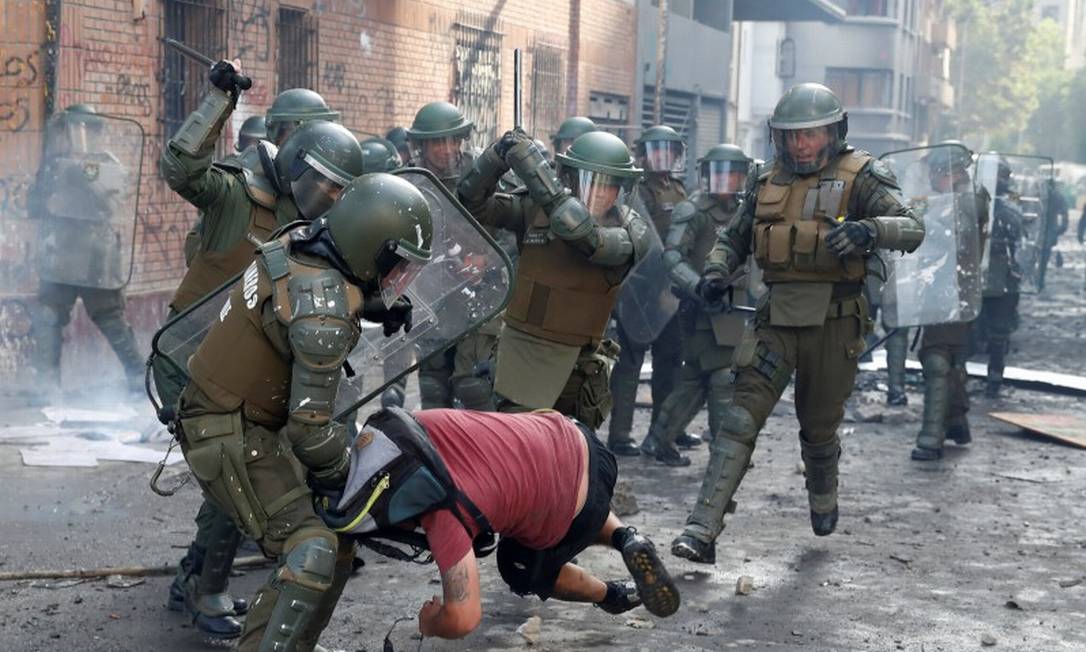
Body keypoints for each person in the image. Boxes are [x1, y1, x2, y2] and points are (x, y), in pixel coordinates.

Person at [671, 83, 925, 563]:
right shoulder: (766, 178)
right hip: (777, 320)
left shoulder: (864, 175)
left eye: (810, 135)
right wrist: (714, 271)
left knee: (818, 427)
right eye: (791, 136)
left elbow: (913, 227)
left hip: (836, 321)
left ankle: (823, 496)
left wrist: (870, 229)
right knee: (738, 419)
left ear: (833, 132)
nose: (800, 145)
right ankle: (701, 529)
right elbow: (735, 236)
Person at [175, 172, 427, 651]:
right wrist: (349, 478)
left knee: (336, 537)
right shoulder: (322, 316)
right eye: (395, 265)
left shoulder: (300, 240)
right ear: (370, 247)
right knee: (312, 548)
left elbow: (314, 292)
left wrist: (376, 302)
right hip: (228, 430)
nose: (399, 278)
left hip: (236, 415)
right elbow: (310, 433)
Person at [158, 60, 361, 638]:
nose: (327, 187)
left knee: (253, 471)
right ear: (290, 143)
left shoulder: (312, 214)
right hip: (189, 356)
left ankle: (193, 578)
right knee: (235, 471)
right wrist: (219, 99)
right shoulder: (233, 194)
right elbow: (180, 166)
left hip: (251, 357)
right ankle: (206, 590)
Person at [323, 408, 679, 639]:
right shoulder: (408, 426)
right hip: (578, 441)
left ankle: (613, 595)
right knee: (556, 492)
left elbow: (463, 618)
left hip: (570, 507)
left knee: (518, 565)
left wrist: (431, 623)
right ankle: (625, 537)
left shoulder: (440, 511)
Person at [458, 130, 652, 428]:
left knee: (572, 454)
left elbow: (587, 238)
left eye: (609, 184)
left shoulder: (631, 230)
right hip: (525, 352)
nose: (599, 193)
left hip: (580, 364)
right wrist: (498, 156)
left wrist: (534, 167)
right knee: (517, 446)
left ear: (621, 188)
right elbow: (472, 202)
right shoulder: (534, 208)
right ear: (572, 179)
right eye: (590, 181)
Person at [638, 143, 751, 467]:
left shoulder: (744, 211)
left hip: (733, 307)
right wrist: (699, 286)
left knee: (696, 379)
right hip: (701, 306)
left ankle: (658, 440)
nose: (725, 180)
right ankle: (724, 450)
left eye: (732, 173)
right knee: (720, 378)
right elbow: (671, 257)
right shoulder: (693, 209)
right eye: (719, 172)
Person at [27, 104, 145, 396]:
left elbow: (109, 205)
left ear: (95, 133)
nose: (76, 136)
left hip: (96, 259)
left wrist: (82, 170)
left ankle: (138, 379)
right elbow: (34, 206)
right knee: (48, 317)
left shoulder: (107, 165)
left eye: (83, 130)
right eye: (71, 130)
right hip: (60, 255)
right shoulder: (55, 165)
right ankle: (47, 387)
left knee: (111, 319)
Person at [405, 101, 498, 411]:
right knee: (432, 387)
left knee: (474, 388)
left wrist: (488, 260)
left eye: (452, 140)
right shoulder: (410, 182)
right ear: (421, 144)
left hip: (480, 301)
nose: (446, 149)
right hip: (431, 299)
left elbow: (511, 231)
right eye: (436, 142)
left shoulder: (483, 175)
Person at [607, 125, 687, 456]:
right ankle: (621, 435)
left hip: (672, 289)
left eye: (668, 151)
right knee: (629, 364)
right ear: (642, 155)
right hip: (640, 288)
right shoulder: (634, 191)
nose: (662, 158)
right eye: (656, 151)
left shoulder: (680, 190)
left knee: (671, 363)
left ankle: (664, 431)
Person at [911, 142, 989, 461]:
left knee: (936, 358)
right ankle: (956, 423)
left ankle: (931, 438)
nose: (930, 176)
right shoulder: (968, 197)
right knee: (952, 359)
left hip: (951, 293)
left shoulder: (964, 202)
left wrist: (922, 221)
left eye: (934, 170)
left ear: (949, 171)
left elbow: (952, 242)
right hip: (956, 291)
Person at [977, 155, 1024, 399]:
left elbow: (1022, 244)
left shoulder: (1011, 207)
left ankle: (994, 380)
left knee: (998, 334)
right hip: (979, 277)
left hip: (1003, 279)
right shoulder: (972, 204)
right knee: (973, 333)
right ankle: (970, 379)